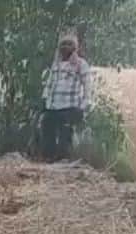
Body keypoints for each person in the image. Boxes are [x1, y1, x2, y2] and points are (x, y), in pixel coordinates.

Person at [40, 34, 92, 163]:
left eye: (69, 44)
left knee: (65, 133)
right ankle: (49, 158)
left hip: (70, 106)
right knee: (46, 127)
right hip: (53, 106)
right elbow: (50, 83)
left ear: (74, 47)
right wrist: (45, 99)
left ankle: (63, 159)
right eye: (63, 44)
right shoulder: (56, 64)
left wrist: (84, 105)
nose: (65, 47)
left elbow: (87, 86)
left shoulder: (80, 64)